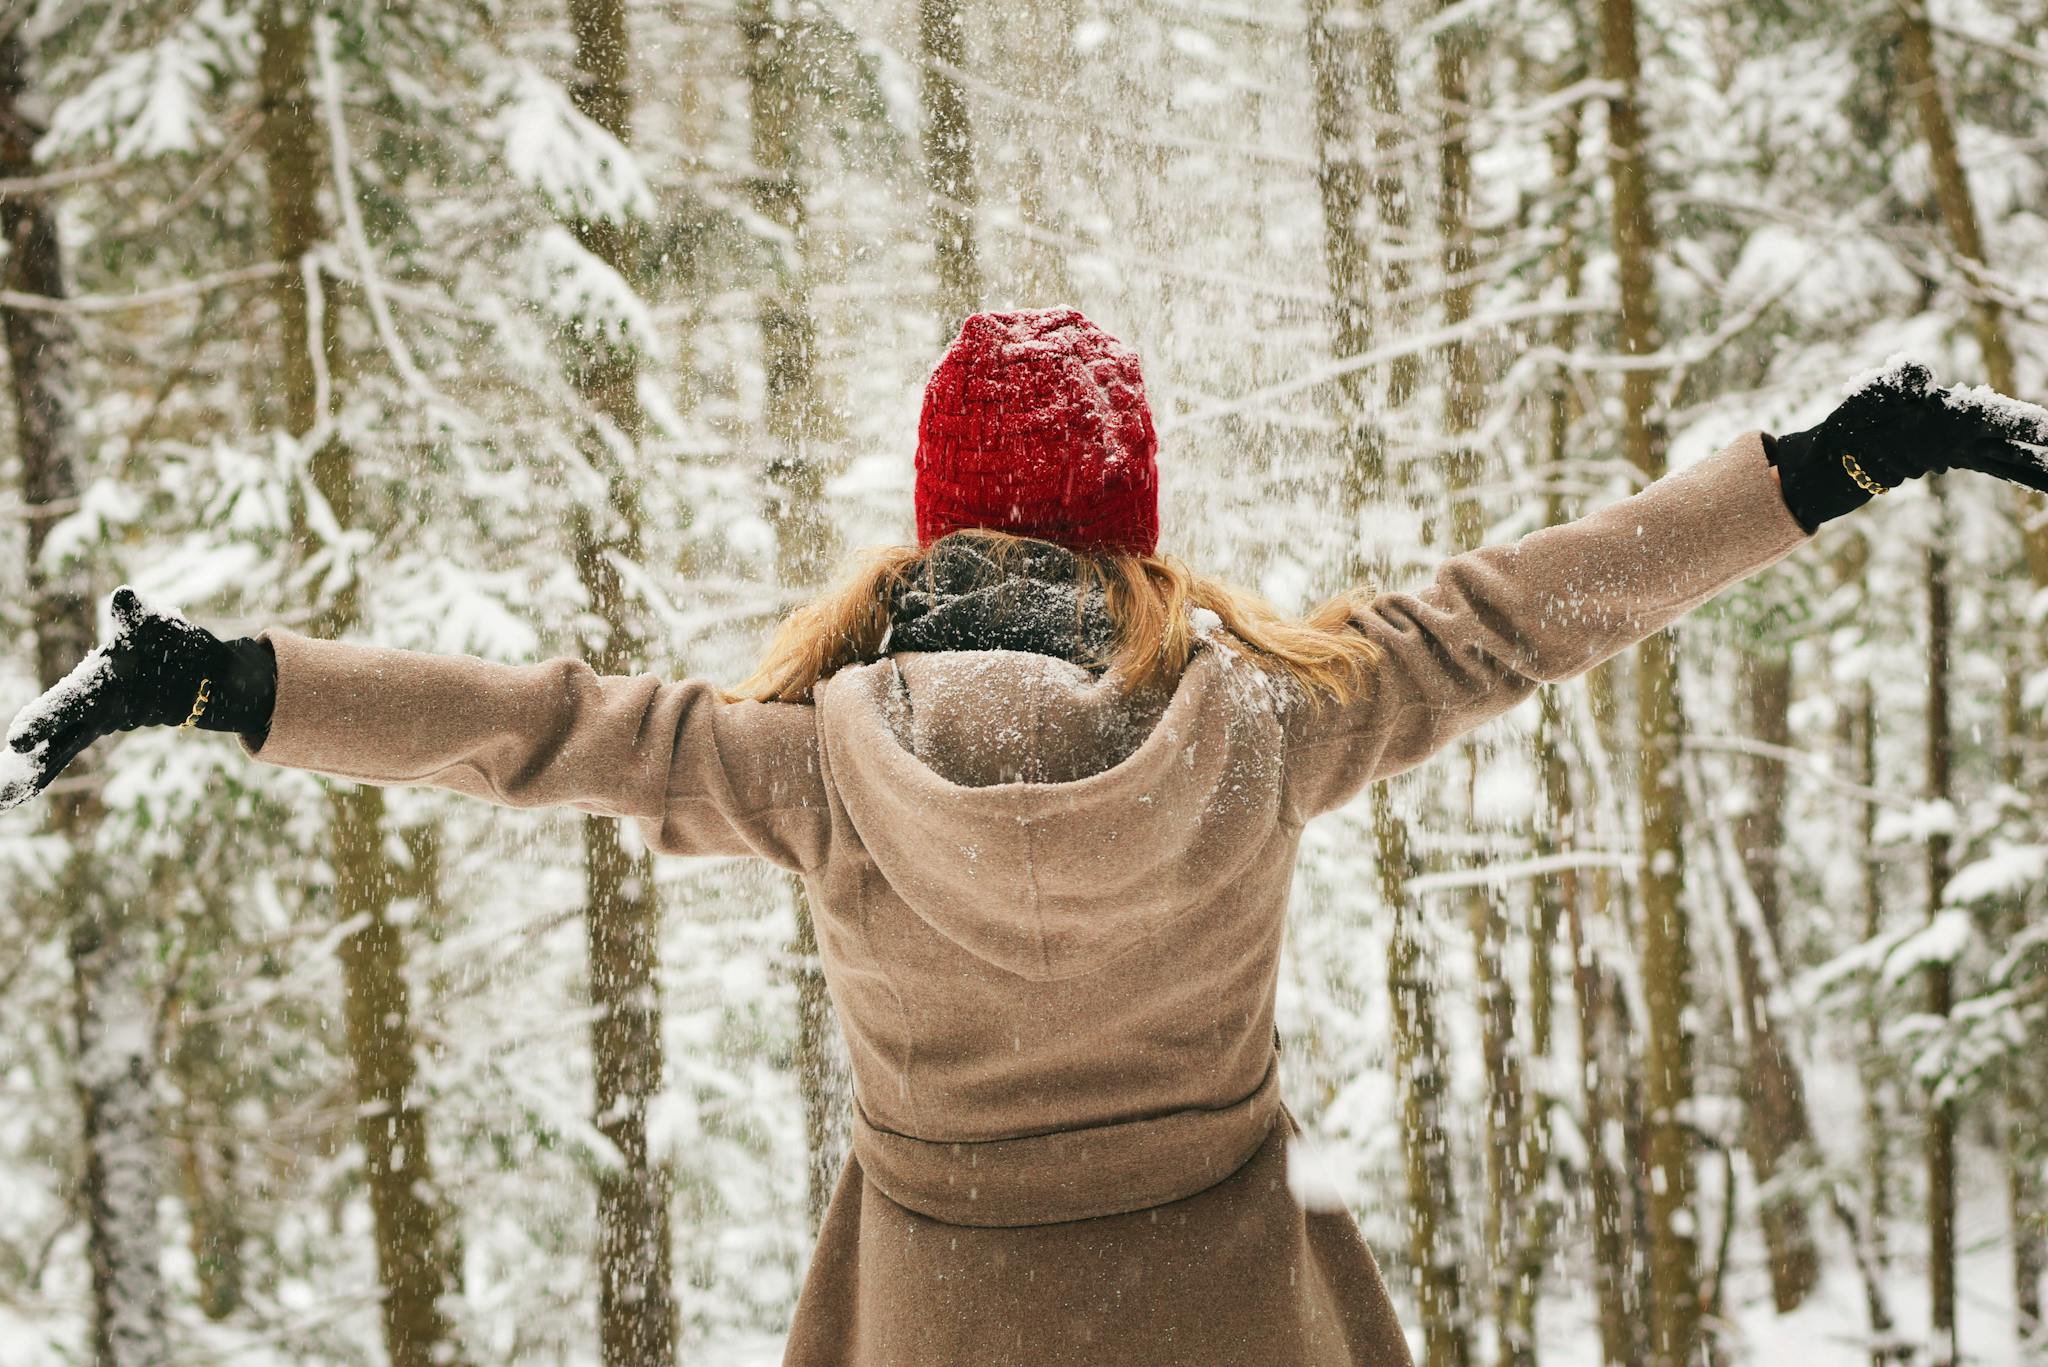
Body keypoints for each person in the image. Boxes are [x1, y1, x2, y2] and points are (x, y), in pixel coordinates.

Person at [5, 307, 2047, 1365]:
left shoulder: (805, 762)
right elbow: (1527, 611)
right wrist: (1836, 461)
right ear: (1130, 517)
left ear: (931, 523)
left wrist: (222, 680)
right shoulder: (1267, 721)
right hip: (1243, 1310)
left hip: (941, 1321)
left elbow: (534, 736)